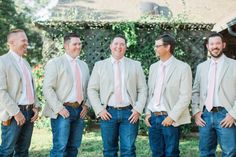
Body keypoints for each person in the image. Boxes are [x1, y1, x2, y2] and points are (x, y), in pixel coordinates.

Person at [87, 35, 147, 157]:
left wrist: (138, 109)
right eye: (116, 44)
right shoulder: (100, 65)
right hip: (108, 113)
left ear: (125, 47)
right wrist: (99, 110)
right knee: (109, 150)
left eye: (122, 44)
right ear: (110, 46)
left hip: (130, 113)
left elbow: (143, 89)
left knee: (129, 150)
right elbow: (92, 89)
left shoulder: (135, 65)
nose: (118, 46)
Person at [42, 33, 90, 157]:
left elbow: (89, 88)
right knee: (60, 148)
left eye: (80, 44)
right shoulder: (55, 63)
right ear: (66, 46)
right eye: (75, 44)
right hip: (63, 110)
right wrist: (59, 108)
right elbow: (47, 88)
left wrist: (86, 106)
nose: (78, 46)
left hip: (79, 110)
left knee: (74, 147)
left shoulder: (83, 65)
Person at [144, 34, 192, 157]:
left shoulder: (183, 67)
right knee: (156, 153)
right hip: (153, 118)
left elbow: (185, 96)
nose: (155, 48)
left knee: (171, 153)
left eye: (157, 46)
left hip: (170, 119)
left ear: (168, 47)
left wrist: (172, 117)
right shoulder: (153, 67)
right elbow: (151, 93)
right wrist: (148, 113)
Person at [192, 32, 236, 156]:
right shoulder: (201, 67)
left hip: (226, 114)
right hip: (205, 115)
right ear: (207, 46)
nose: (214, 46)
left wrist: (233, 114)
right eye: (211, 44)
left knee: (230, 152)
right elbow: (195, 91)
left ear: (223, 45)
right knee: (205, 152)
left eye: (217, 43)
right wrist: (196, 111)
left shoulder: (234, 65)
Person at [0, 29, 40, 156]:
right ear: (12, 42)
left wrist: (36, 107)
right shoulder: (2, 61)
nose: (27, 43)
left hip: (29, 113)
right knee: (7, 150)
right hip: (13, 114)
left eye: (27, 40)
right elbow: (1, 91)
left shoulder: (26, 63)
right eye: (24, 40)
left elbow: (32, 88)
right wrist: (16, 112)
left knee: (23, 151)